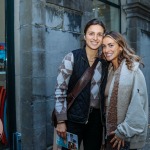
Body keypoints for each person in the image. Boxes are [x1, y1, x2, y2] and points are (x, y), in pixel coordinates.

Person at [54, 18, 109, 150]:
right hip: (73, 121)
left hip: (96, 122)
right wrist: (61, 121)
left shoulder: (105, 63)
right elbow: (60, 90)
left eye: (99, 34)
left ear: (103, 38)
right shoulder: (71, 57)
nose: (95, 38)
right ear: (85, 36)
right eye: (91, 33)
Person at [101, 31, 148, 150]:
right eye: (104, 46)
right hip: (109, 133)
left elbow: (138, 106)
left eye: (111, 45)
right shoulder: (109, 70)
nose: (106, 50)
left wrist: (122, 132)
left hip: (123, 137)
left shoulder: (133, 70)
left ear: (121, 47)